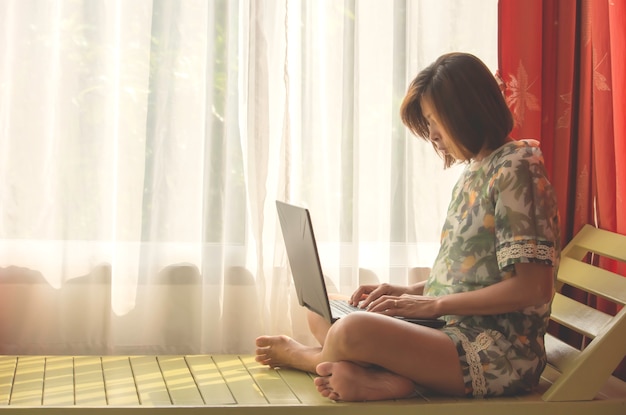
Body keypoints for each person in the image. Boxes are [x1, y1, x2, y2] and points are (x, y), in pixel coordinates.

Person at [255, 52, 561, 401]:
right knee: (322, 309)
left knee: (351, 330)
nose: (431, 134)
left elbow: (533, 288)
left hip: (498, 352)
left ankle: (308, 358)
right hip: (452, 330)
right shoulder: (477, 170)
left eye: (434, 120)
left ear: (465, 111)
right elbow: (468, 277)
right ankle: (386, 379)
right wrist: (407, 291)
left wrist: (431, 306)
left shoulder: (518, 169)